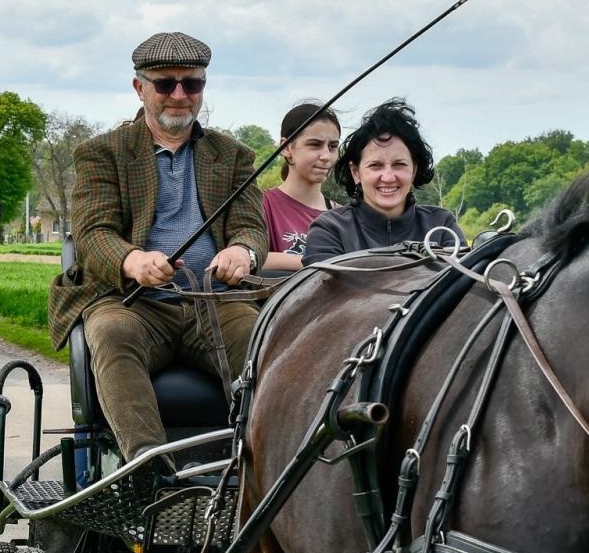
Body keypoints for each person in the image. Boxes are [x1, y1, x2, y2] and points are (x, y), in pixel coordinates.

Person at [48, 31, 268, 461]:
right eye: (166, 84)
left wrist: (243, 251)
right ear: (140, 87)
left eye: (193, 83)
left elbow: (251, 228)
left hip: (215, 300)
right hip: (132, 301)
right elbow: (93, 233)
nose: (180, 95)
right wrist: (133, 260)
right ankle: (149, 469)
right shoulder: (101, 153)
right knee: (111, 333)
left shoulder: (234, 156)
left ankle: (266, 464)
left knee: (269, 341)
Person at [303, 98, 462, 264]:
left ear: (414, 170)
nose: (388, 177)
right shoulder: (330, 229)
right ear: (356, 172)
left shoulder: (442, 226)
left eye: (399, 165)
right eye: (375, 165)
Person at [262, 103, 341, 271]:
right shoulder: (261, 204)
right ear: (286, 147)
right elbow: (249, 257)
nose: (326, 156)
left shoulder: (343, 217)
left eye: (333, 146)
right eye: (315, 145)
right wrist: (324, 264)